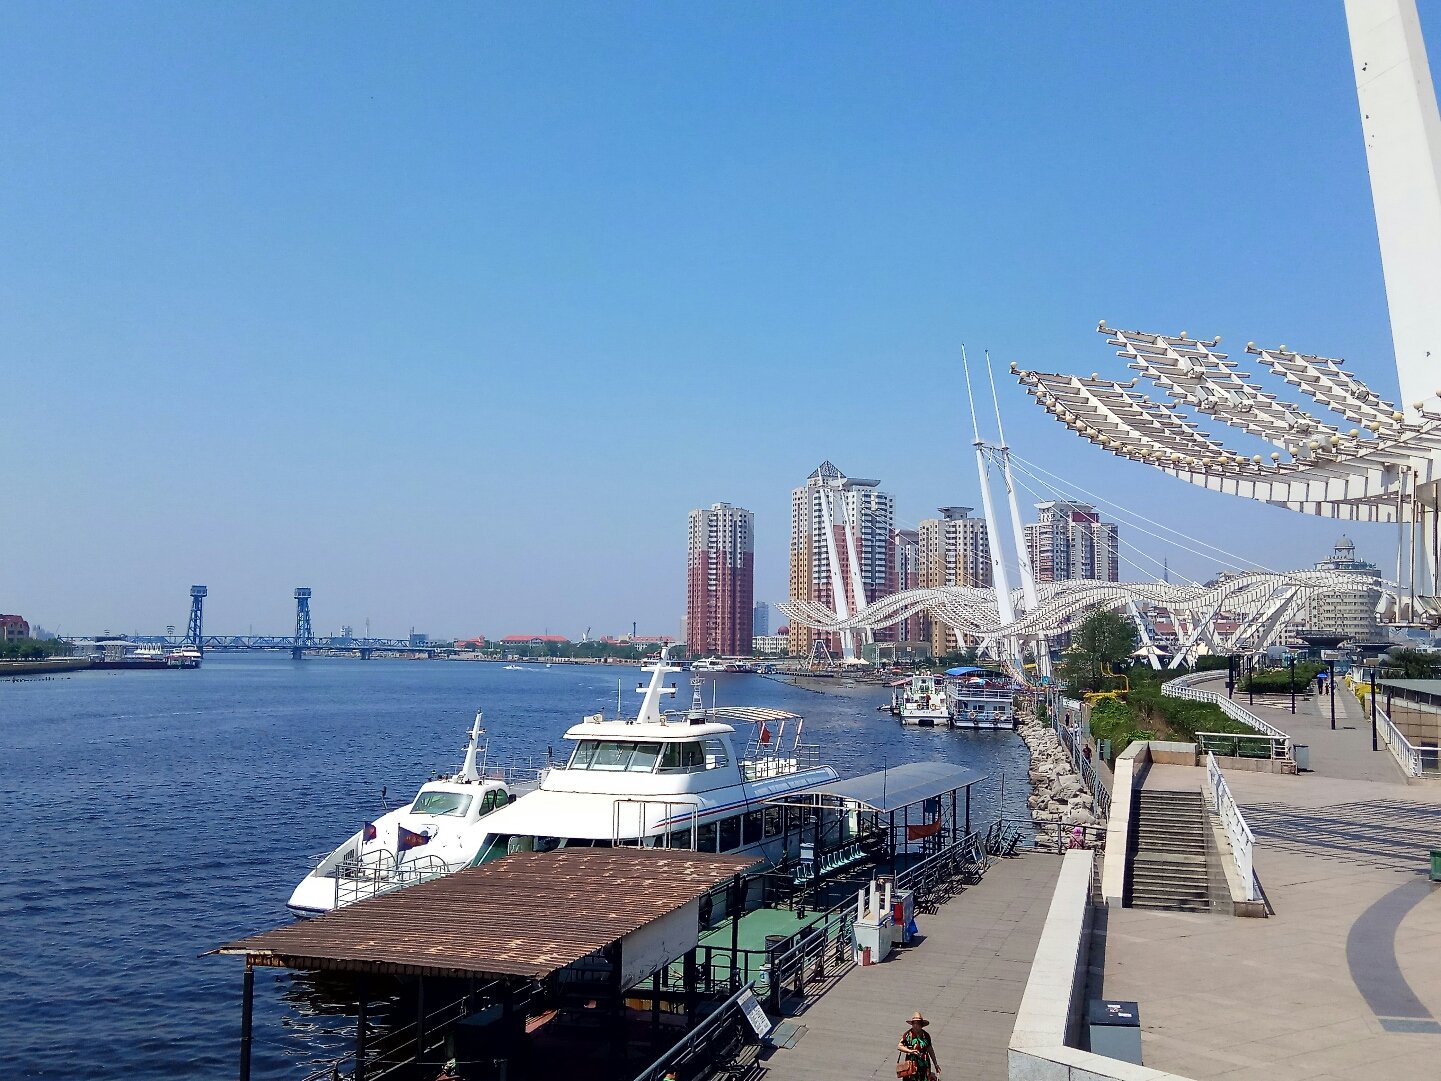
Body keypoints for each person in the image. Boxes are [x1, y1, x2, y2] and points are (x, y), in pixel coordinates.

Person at [896, 1011, 940, 1081]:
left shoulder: (926, 1035)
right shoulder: (908, 1035)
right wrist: (910, 1051)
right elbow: (899, 1046)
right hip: (911, 1064)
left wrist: (936, 1064)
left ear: (921, 1025)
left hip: (924, 1064)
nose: (915, 1025)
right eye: (914, 1023)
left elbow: (930, 1049)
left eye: (918, 1023)